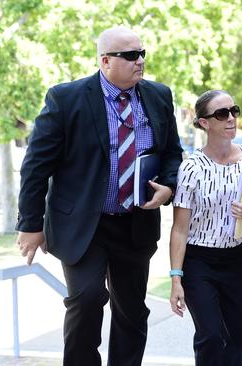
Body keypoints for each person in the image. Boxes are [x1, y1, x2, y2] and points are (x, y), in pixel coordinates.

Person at [15, 26, 183, 366]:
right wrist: (30, 224)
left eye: (142, 53)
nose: (140, 61)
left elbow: (172, 153)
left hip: (135, 223)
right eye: (131, 55)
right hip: (81, 225)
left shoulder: (159, 96)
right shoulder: (65, 99)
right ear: (105, 61)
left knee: (132, 309)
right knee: (87, 299)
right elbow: (35, 166)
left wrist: (168, 185)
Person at [168, 90, 242, 366]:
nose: (231, 118)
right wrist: (176, 279)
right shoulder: (191, 167)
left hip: (237, 259)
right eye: (221, 114)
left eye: (233, 111)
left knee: (237, 338)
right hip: (199, 262)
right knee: (211, 336)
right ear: (204, 123)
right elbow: (180, 228)